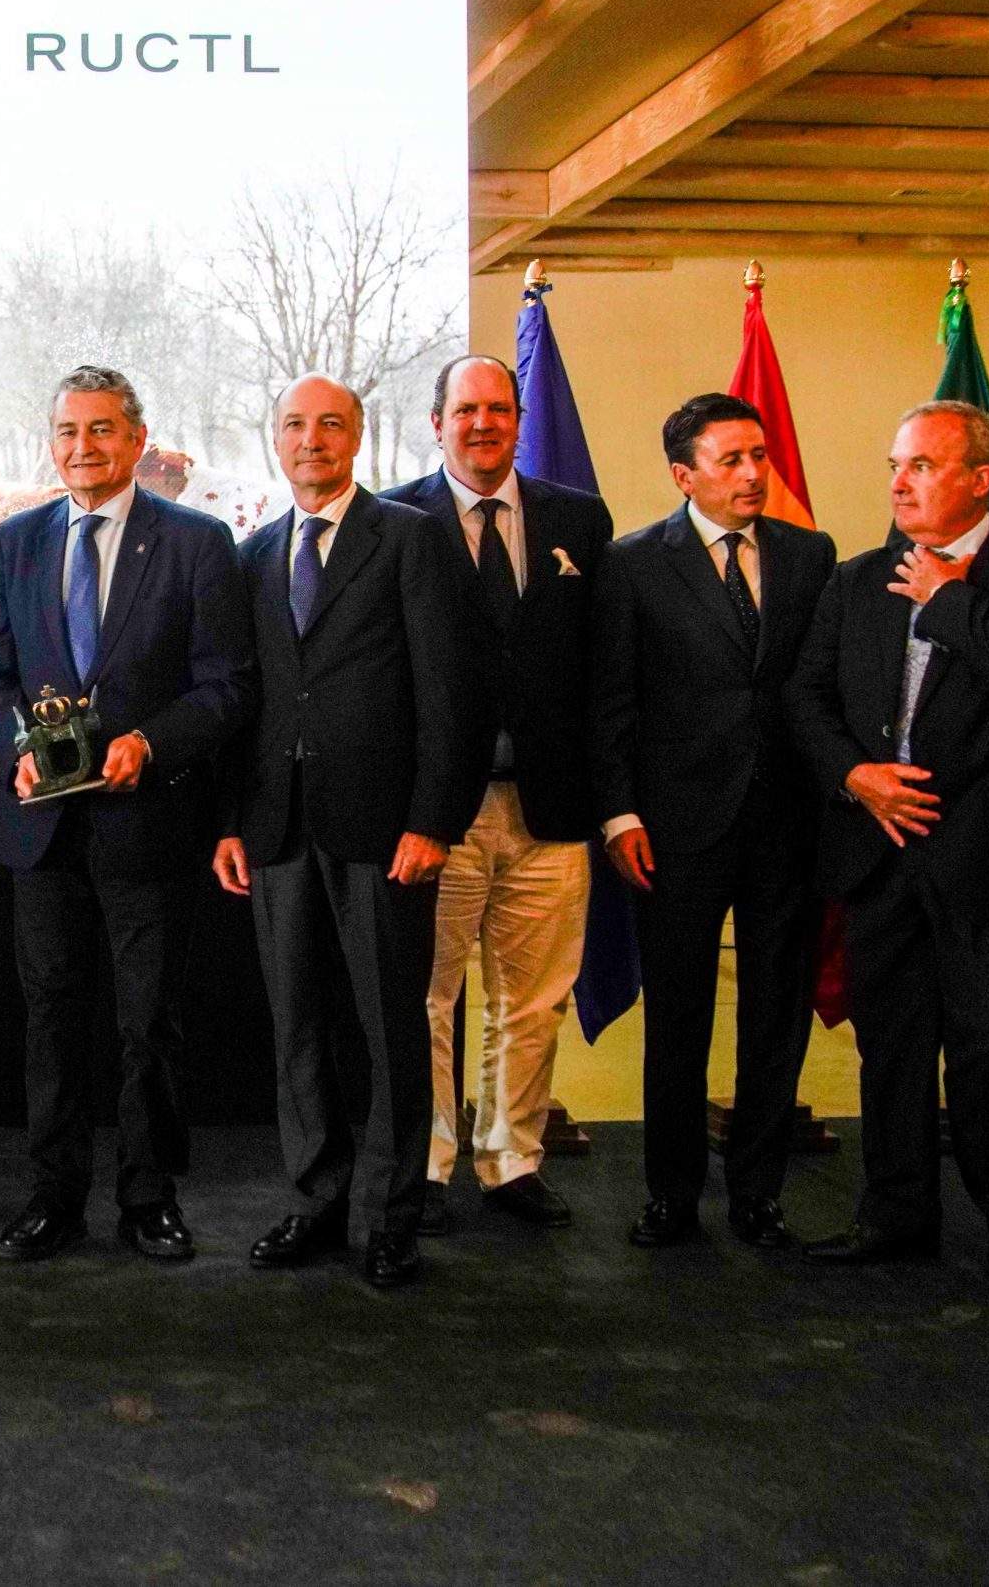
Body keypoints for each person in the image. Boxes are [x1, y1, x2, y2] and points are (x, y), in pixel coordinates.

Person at [787, 400, 989, 1279]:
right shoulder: (856, 579)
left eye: (921, 465)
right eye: (895, 464)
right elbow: (806, 699)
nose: (899, 482)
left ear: (981, 479)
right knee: (893, 1047)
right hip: (882, 855)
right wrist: (856, 776)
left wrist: (948, 596)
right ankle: (895, 1213)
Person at [0, 365, 250, 1265]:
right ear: (51, 444)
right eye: (67, 431)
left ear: (136, 439)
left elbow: (227, 684)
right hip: (42, 828)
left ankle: (149, 1197)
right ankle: (53, 1196)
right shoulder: (15, 542)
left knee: (148, 1023)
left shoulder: (197, 542)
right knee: (49, 1018)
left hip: (148, 822)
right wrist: (14, 748)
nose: (82, 447)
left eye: (100, 429)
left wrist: (151, 743)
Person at [215, 375, 485, 1290]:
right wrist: (231, 822)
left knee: (389, 1029)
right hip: (278, 828)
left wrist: (433, 819)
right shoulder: (255, 554)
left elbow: (452, 694)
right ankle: (316, 1201)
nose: (311, 439)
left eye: (329, 424)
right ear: (275, 440)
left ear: (357, 437)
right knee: (297, 1029)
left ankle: (392, 1216)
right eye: (294, 425)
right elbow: (249, 700)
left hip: (384, 831)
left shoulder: (410, 537)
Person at [592, 393, 835, 1250]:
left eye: (758, 455)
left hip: (787, 826)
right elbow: (610, 701)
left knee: (776, 1017)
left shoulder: (810, 555)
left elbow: (818, 687)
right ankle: (672, 1194)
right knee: (679, 1020)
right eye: (730, 459)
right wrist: (619, 814)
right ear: (683, 474)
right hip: (675, 827)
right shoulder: (631, 563)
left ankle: (759, 1194)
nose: (753, 473)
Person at [382, 355, 612, 1236]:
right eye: (466, 409)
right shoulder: (396, 520)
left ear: (519, 419)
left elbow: (599, 665)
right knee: (429, 998)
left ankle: (512, 1160)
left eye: (499, 409)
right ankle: (430, 1163)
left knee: (534, 999)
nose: (483, 423)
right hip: (439, 812)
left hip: (549, 805)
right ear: (436, 422)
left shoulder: (579, 519)